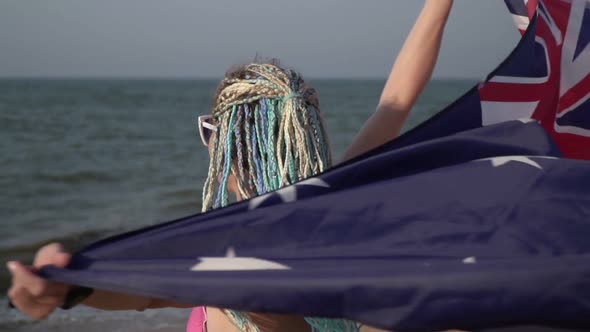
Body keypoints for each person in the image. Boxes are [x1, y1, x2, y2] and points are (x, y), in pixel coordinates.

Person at [7, 1, 454, 331]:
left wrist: (67, 288)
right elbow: (396, 102)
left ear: (221, 144)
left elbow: (144, 293)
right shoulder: (336, 206)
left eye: (210, 129)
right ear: (305, 134)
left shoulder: (234, 254)